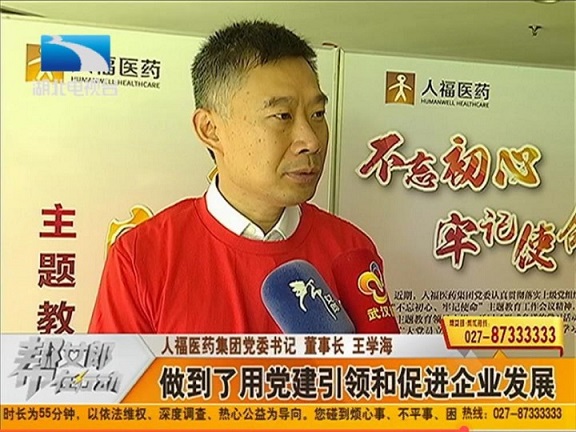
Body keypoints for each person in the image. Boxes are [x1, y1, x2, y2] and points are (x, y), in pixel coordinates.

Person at [89, 20, 397, 333]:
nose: (311, 141)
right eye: (282, 116)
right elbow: (117, 367)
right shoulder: (142, 255)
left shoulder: (351, 249)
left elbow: (385, 363)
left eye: (317, 114)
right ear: (210, 129)